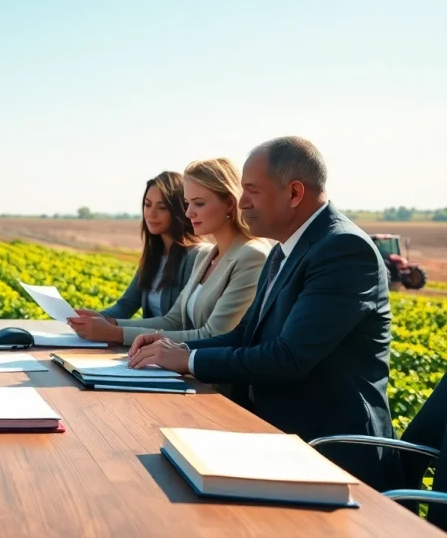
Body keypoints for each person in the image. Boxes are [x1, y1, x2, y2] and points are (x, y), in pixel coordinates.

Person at [128, 136, 398, 491]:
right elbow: (246, 336)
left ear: (294, 193)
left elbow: (288, 358)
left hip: (329, 453)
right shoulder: (283, 251)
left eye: (252, 191)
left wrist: (189, 361)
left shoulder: (343, 250)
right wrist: (174, 350)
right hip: (274, 436)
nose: (241, 203)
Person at [68, 158, 270, 346]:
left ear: (229, 204)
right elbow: (173, 321)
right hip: (181, 369)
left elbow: (213, 336)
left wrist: (115, 333)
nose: (189, 213)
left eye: (198, 203)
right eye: (187, 203)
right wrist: (108, 324)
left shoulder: (251, 256)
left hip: (212, 382)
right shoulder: (207, 256)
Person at [72, 171, 206, 323]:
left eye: (162, 207)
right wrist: (94, 317)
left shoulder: (196, 256)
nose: (151, 214)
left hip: (170, 345)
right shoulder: (154, 256)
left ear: (179, 210)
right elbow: (125, 306)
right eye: (147, 205)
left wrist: (113, 326)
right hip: (147, 343)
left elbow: (178, 324)